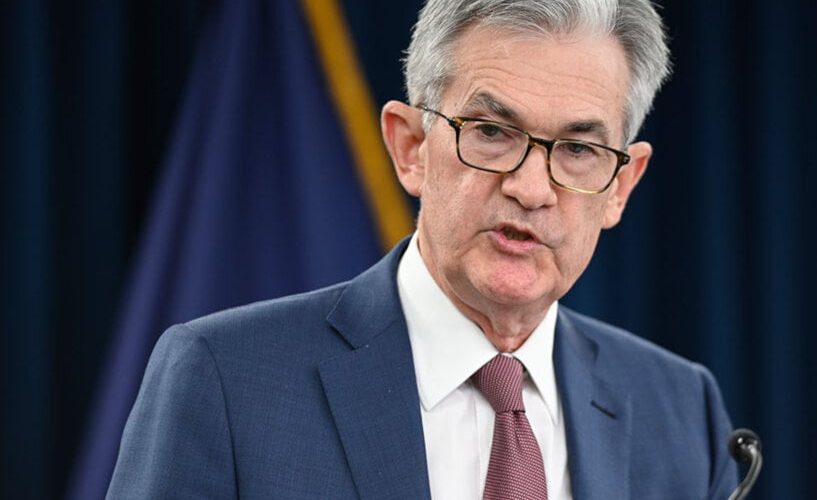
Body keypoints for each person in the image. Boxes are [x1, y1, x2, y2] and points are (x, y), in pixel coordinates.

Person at [107, 0, 738, 498]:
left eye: (578, 150)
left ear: (620, 186)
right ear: (411, 148)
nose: (530, 189)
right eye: (491, 132)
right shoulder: (225, 379)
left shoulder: (681, 409)